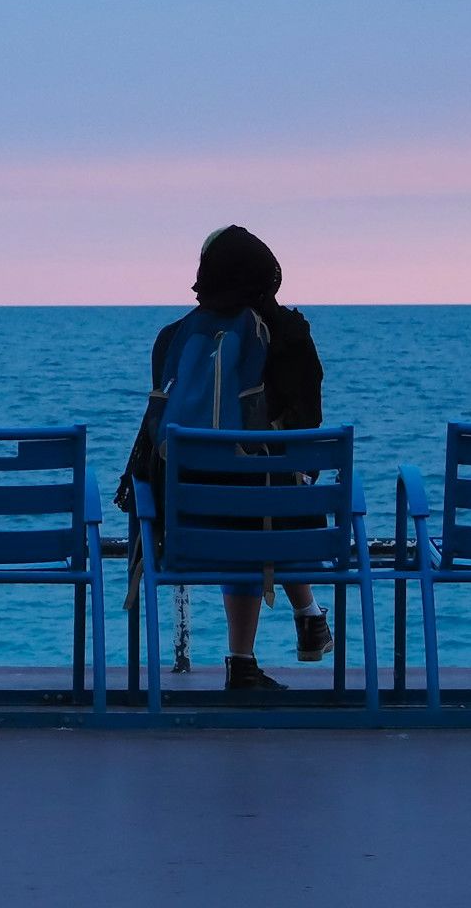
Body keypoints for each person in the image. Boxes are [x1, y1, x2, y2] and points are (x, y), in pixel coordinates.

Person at [116, 225, 334, 690]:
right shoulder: (286, 333)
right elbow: (307, 427)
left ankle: (254, 655)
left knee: (246, 499)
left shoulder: (173, 338)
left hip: (185, 526)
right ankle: (303, 615)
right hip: (275, 521)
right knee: (269, 493)